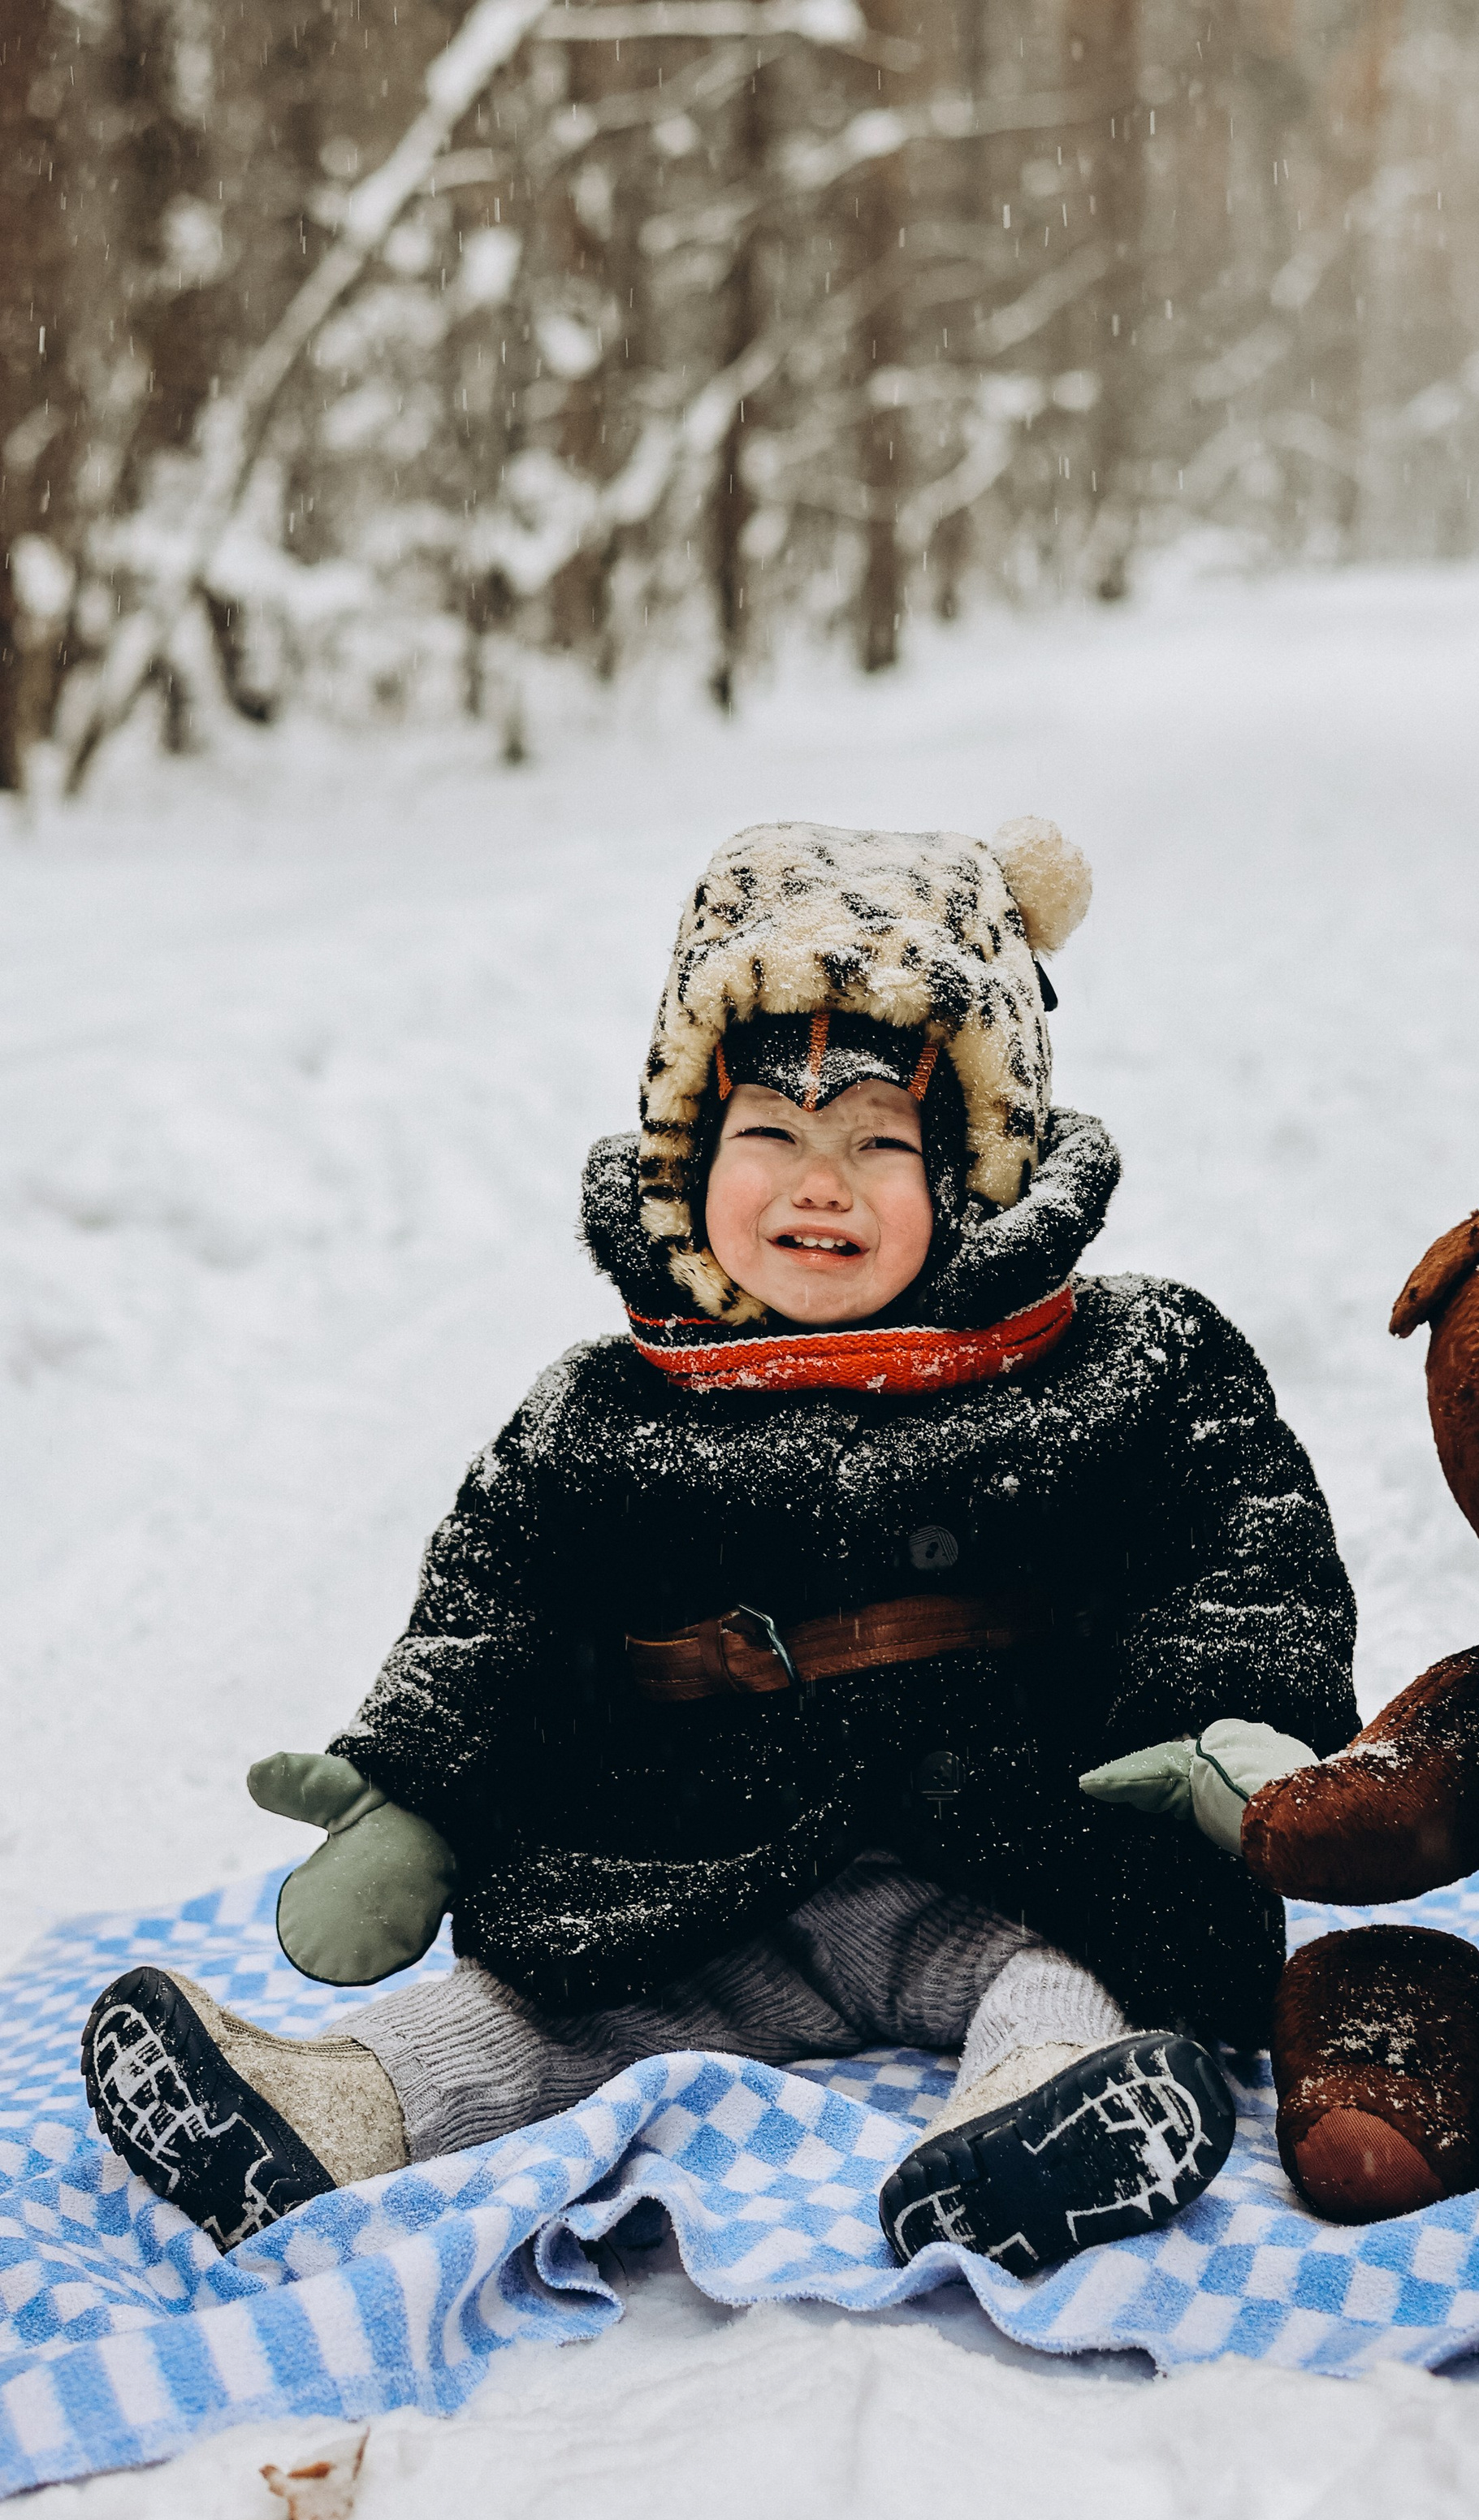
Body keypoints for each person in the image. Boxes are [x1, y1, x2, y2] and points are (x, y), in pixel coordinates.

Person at [80, 818, 1357, 2273]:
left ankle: (1037, 2125)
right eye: (772, 1136)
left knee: (1087, 1972)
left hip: (1025, 1849)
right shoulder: (607, 1408)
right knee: (543, 1997)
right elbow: (492, 1601)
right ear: (693, 1154)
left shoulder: (1122, 1362)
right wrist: (423, 1784)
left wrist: (1221, 1720)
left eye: (880, 1142)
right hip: (698, 1867)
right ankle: (335, 2102)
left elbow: (1239, 1540)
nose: (822, 1183)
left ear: (979, 1170)